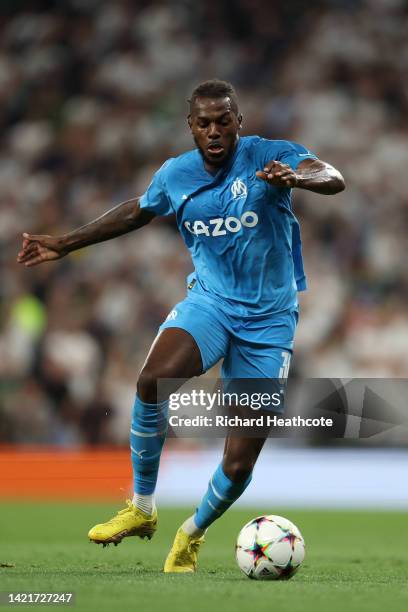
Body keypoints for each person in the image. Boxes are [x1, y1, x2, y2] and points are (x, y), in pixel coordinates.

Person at [17, 79, 345, 573]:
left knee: (238, 464)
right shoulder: (176, 174)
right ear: (190, 127)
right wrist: (66, 242)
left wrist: (297, 180)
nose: (214, 131)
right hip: (210, 304)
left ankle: (192, 532)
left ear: (240, 122)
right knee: (152, 379)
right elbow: (137, 211)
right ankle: (142, 508)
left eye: (223, 121)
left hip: (269, 322)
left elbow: (331, 175)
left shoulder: (270, 156)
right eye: (204, 123)